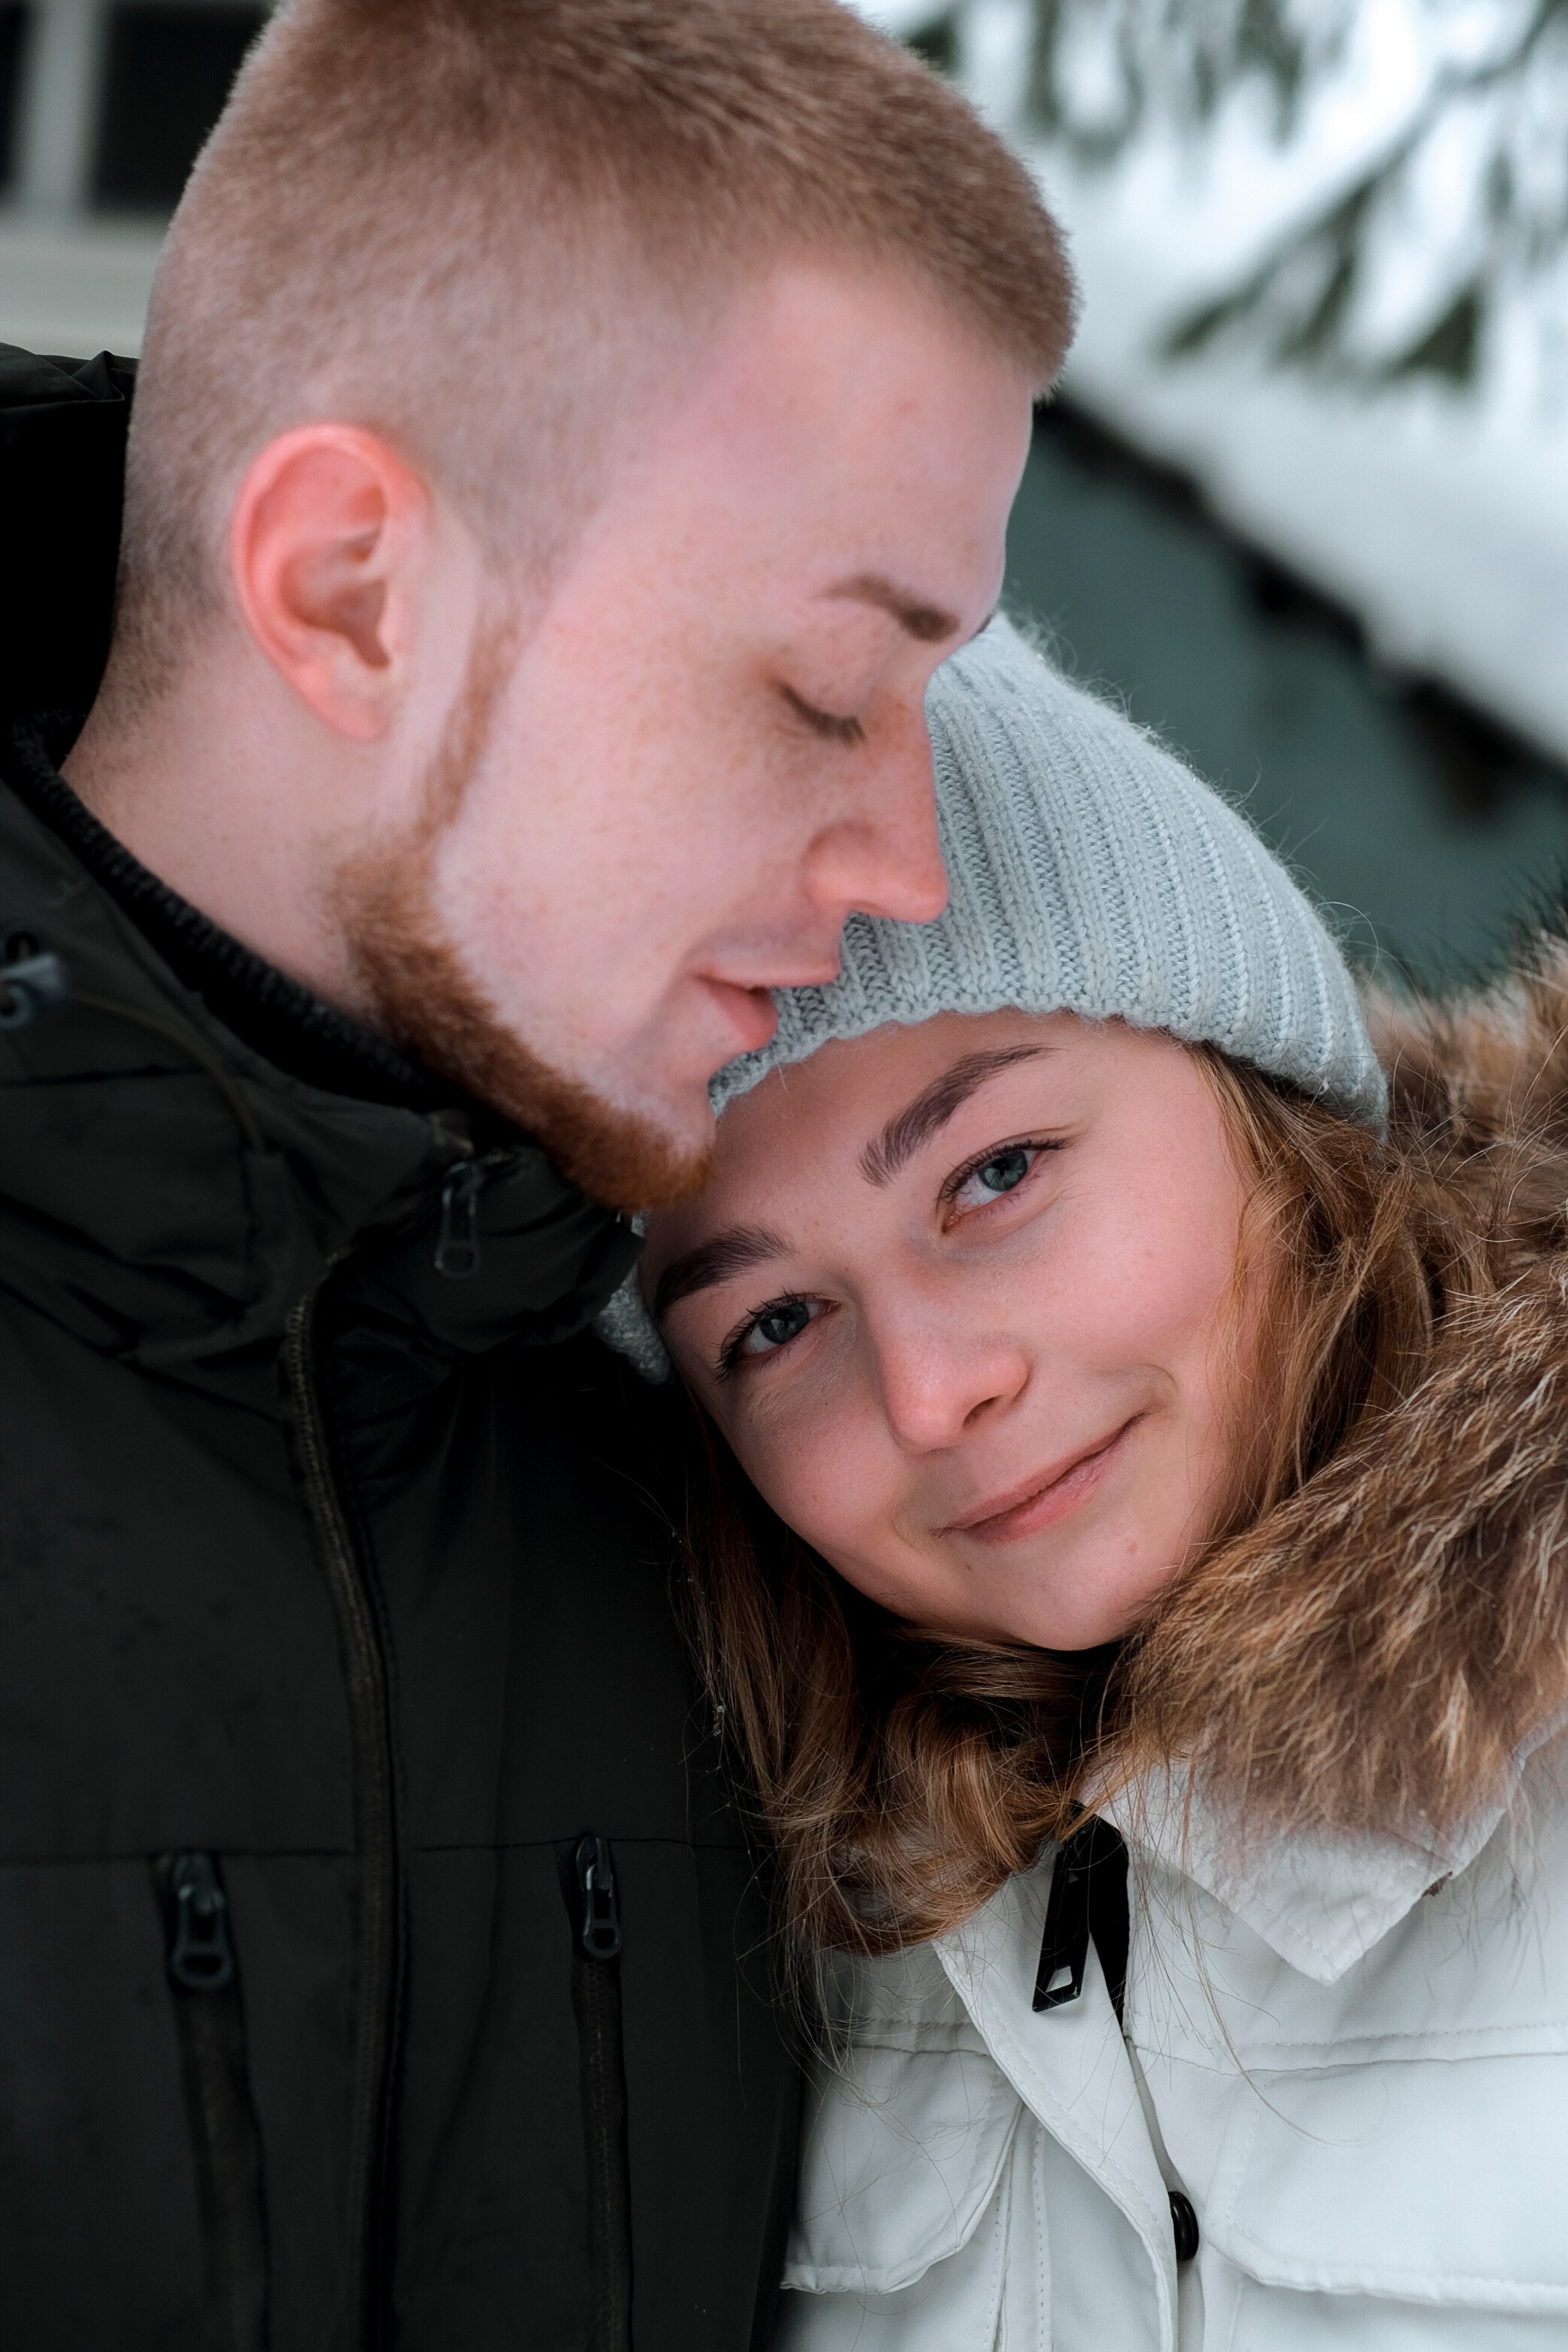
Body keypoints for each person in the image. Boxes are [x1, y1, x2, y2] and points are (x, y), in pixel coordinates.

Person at [0, 4, 1075, 2345]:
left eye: (939, 704)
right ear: (355, 589)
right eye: (820, 692)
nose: (908, 857)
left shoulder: (741, 1512)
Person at [609, 618, 1568, 2347]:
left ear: (1253, 1091)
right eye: (768, 1322)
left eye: (992, 1174)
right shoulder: (750, 1928)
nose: (927, 1389)